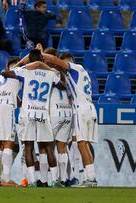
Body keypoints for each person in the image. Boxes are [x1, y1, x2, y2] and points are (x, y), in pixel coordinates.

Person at [1, 49, 65, 187]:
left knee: (28, 147)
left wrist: (23, 64)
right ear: (42, 59)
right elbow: (62, 86)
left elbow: (4, 73)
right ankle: (55, 180)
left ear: (29, 60)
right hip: (43, 113)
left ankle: (32, 182)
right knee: (48, 147)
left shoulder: (25, 71)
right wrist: (47, 68)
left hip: (27, 113)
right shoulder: (50, 74)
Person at [40, 52, 99, 187]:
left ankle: (91, 179)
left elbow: (55, 60)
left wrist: (41, 52)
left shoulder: (74, 68)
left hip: (81, 109)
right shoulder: (82, 72)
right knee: (84, 143)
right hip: (90, 107)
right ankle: (90, 177)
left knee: (81, 144)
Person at [0, 58, 21, 187]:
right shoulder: (18, 73)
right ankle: (6, 180)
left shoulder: (1, 79)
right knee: (8, 142)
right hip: (6, 107)